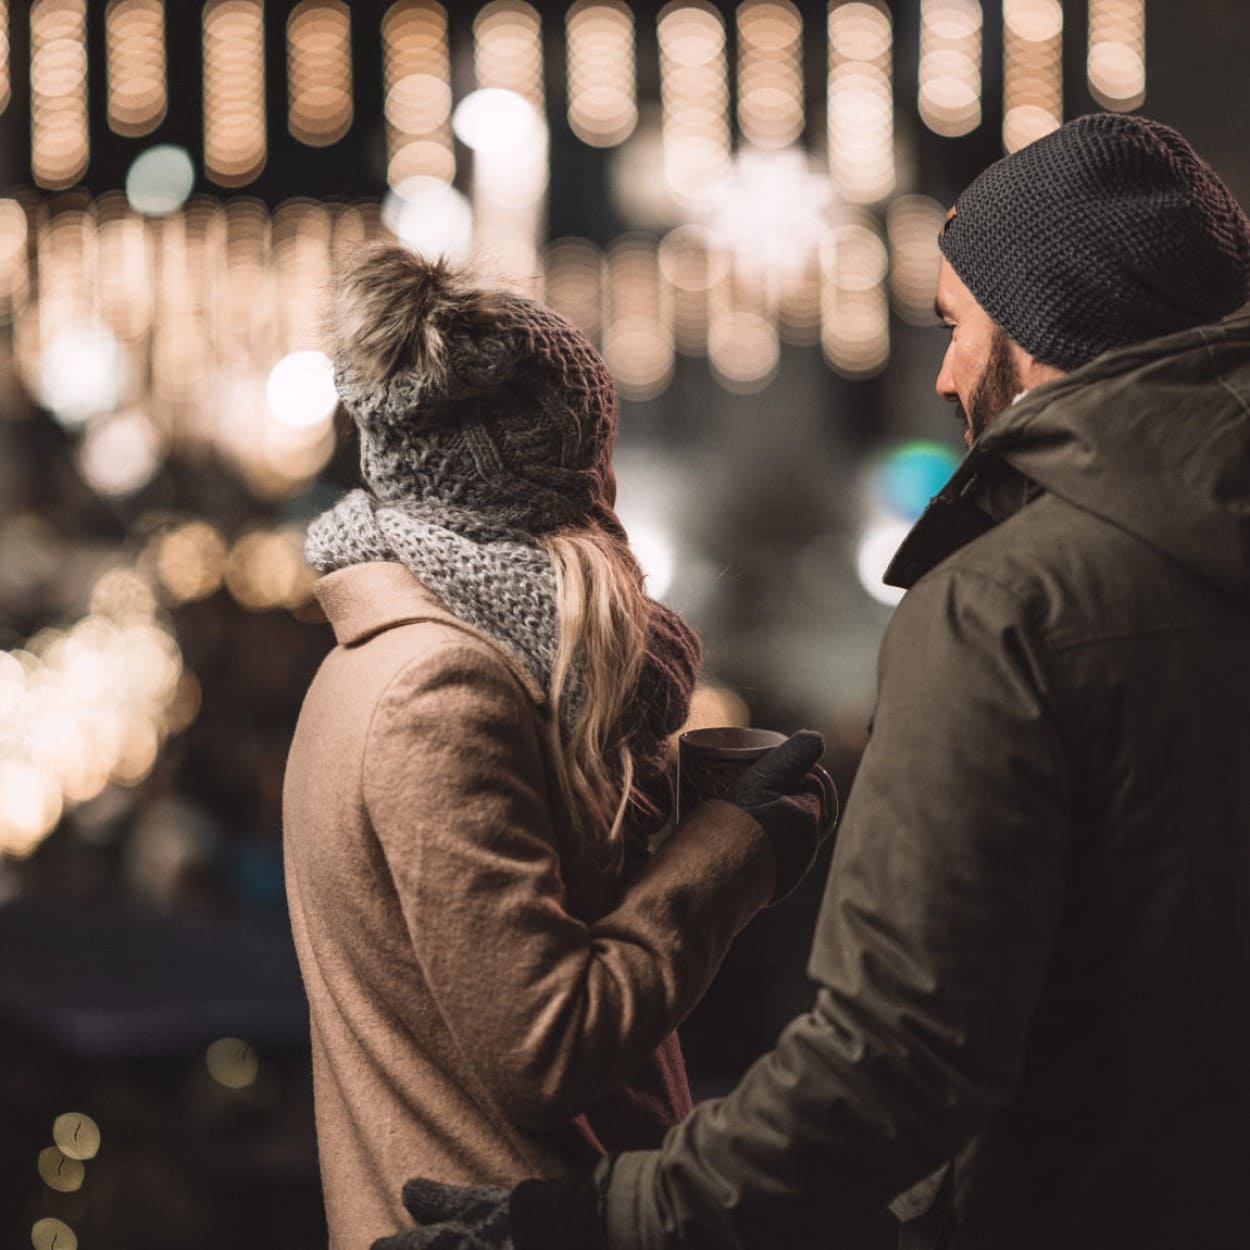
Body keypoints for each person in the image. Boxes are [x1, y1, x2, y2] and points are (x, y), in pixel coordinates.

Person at [370, 113, 1250, 1250]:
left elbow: (901, 1051)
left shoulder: (1007, 607)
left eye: (955, 325)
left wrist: (608, 1213)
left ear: (1042, 324)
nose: (941, 373)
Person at [281, 246, 833, 1250]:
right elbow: (543, 1041)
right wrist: (728, 853)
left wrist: (682, 807)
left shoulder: (395, 659)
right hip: (504, 1220)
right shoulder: (442, 690)